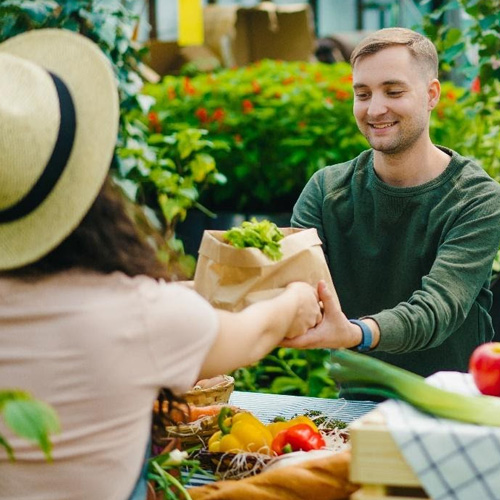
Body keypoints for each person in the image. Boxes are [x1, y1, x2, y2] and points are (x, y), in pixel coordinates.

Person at [0, 29, 322, 500]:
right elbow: (250, 335)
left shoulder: (142, 313)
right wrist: (293, 300)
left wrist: (195, 293)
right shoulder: (137, 316)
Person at [284, 27, 500, 380]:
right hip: (356, 402)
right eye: (363, 94)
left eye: (393, 91)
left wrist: (356, 332)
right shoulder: (326, 190)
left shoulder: (476, 198)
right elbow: (293, 283)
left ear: (431, 95)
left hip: (447, 405)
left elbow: (437, 309)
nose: (375, 109)